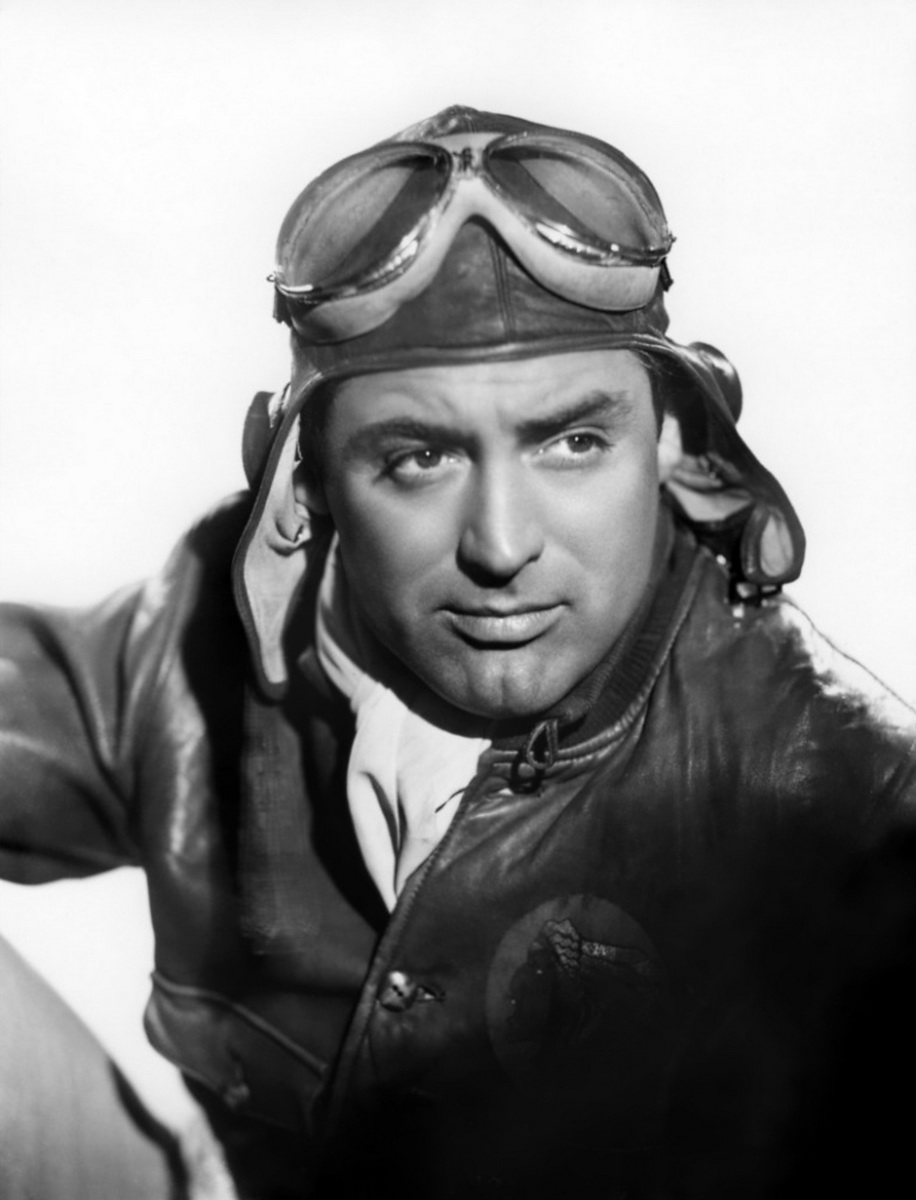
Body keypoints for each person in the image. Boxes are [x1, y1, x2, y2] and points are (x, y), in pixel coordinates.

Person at [1, 104, 915, 1199]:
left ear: (675, 440)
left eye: (573, 441)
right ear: (306, 483)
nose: (501, 545)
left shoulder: (844, 800)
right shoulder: (198, 634)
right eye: (420, 459)